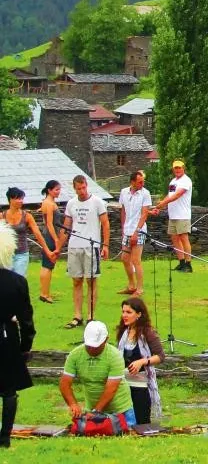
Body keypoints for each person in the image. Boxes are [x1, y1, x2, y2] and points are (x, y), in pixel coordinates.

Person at [59, 321, 135, 428]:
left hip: (120, 411)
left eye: (96, 346)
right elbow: (65, 383)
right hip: (92, 409)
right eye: (89, 345)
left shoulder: (114, 356)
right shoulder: (75, 355)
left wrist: (96, 411)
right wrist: (73, 404)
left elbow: (111, 388)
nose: (92, 349)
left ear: (106, 340)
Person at [0, 224, 35, 449]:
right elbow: (26, 320)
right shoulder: (17, 282)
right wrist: (25, 346)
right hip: (6, 338)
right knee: (8, 390)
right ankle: (5, 437)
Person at [62, 175, 110, 329]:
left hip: (91, 245)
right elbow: (66, 226)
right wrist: (58, 247)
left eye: (84, 188)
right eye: (78, 188)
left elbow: (105, 224)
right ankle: (77, 315)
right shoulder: (71, 204)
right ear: (74, 188)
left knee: (91, 280)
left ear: (86, 185)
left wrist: (105, 245)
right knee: (76, 281)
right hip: (74, 246)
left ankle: (91, 315)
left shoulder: (97, 202)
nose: (82, 191)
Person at [115, 297, 164, 424]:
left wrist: (142, 361)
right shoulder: (123, 332)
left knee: (141, 422)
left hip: (141, 387)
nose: (124, 315)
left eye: (129, 312)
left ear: (139, 314)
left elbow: (160, 356)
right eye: (123, 312)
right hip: (123, 386)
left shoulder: (147, 333)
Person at [150, 159, 193, 273]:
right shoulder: (173, 181)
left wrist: (163, 203)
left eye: (179, 168)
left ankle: (188, 264)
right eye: (176, 168)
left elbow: (178, 195)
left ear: (183, 168)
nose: (177, 170)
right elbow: (170, 195)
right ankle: (181, 262)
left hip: (182, 214)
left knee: (184, 237)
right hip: (173, 214)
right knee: (174, 238)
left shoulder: (186, 181)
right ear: (173, 169)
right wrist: (159, 206)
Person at [117, 171, 151, 296]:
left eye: (143, 181)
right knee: (125, 258)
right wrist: (123, 228)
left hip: (139, 230)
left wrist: (137, 232)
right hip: (127, 229)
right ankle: (131, 285)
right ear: (132, 182)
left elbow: (144, 214)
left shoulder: (145, 193)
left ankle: (140, 288)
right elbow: (123, 211)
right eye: (140, 182)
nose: (142, 184)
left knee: (136, 260)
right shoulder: (124, 192)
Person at [4, 187, 48, 279]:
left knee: (19, 280)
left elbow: (37, 234)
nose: (21, 201)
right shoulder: (2, 216)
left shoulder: (27, 216)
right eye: (18, 198)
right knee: (6, 281)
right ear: (11, 199)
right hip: (6, 255)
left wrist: (46, 250)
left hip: (21, 254)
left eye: (22, 199)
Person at [39, 180, 65, 303]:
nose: (58, 192)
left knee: (48, 265)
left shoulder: (49, 202)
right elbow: (49, 223)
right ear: (49, 190)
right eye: (56, 189)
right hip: (50, 235)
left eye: (59, 189)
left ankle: (45, 292)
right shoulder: (48, 203)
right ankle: (44, 294)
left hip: (50, 234)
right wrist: (56, 239)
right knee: (47, 265)